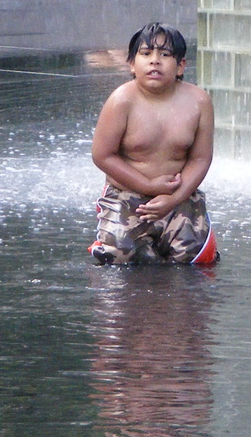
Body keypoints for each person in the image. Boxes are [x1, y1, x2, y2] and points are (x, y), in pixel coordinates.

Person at [89, 22, 218, 265]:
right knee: (117, 257)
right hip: (127, 194)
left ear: (181, 66)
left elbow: (200, 158)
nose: (154, 61)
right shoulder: (122, 100)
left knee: (197, 258)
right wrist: (147, 185)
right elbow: (102, 155)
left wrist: (174, 197)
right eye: (146, 54)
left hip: (178, 194)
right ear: (131, 64)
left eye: (165, 55)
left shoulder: (199, 102)